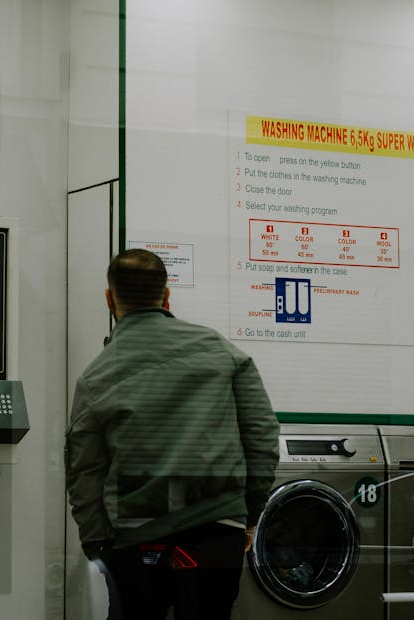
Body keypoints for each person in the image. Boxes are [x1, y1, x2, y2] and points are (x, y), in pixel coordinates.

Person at [66, 248, 280, 620]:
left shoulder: (96, 376)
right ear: (167, 296)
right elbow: (261, 439)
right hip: (217, 533)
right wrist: (248, 516)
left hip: (135, 538)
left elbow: (85, 469)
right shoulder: (223, 353)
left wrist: (97, 541)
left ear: (109, 298)